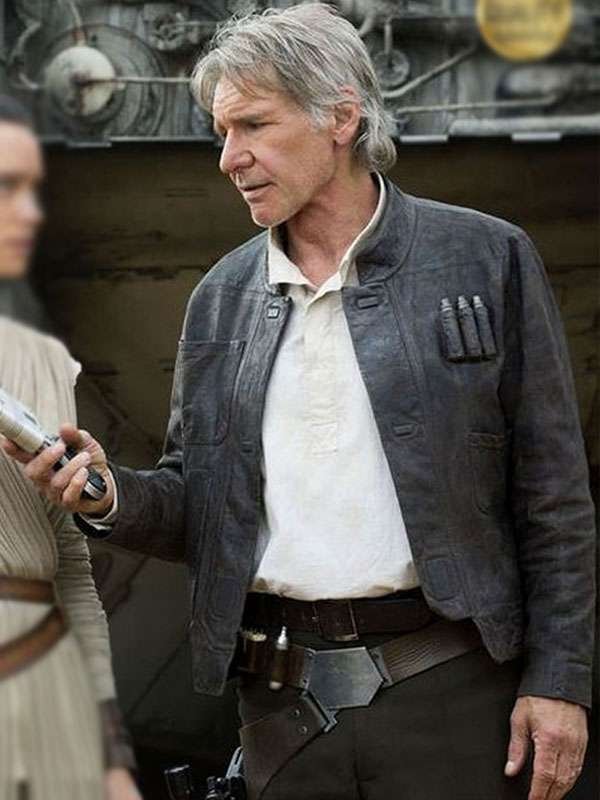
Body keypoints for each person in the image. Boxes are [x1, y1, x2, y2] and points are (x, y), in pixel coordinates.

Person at [3, 5, 596, 799]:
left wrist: (559, 682)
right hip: (284, 713)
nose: (229, 158)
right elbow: (199, 505)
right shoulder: (220, 298)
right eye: (221, 132)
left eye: (253, 125)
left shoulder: (487, 259)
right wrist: (106, 496)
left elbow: (553, 496)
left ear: (342, 118)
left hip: (453, 694)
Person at [0, 95, 140, 800]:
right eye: (6, 188)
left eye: (34, 190)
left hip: (48, 702)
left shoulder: (41, 360)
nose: (29, 214)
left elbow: (74, 575)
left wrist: (110, 757)